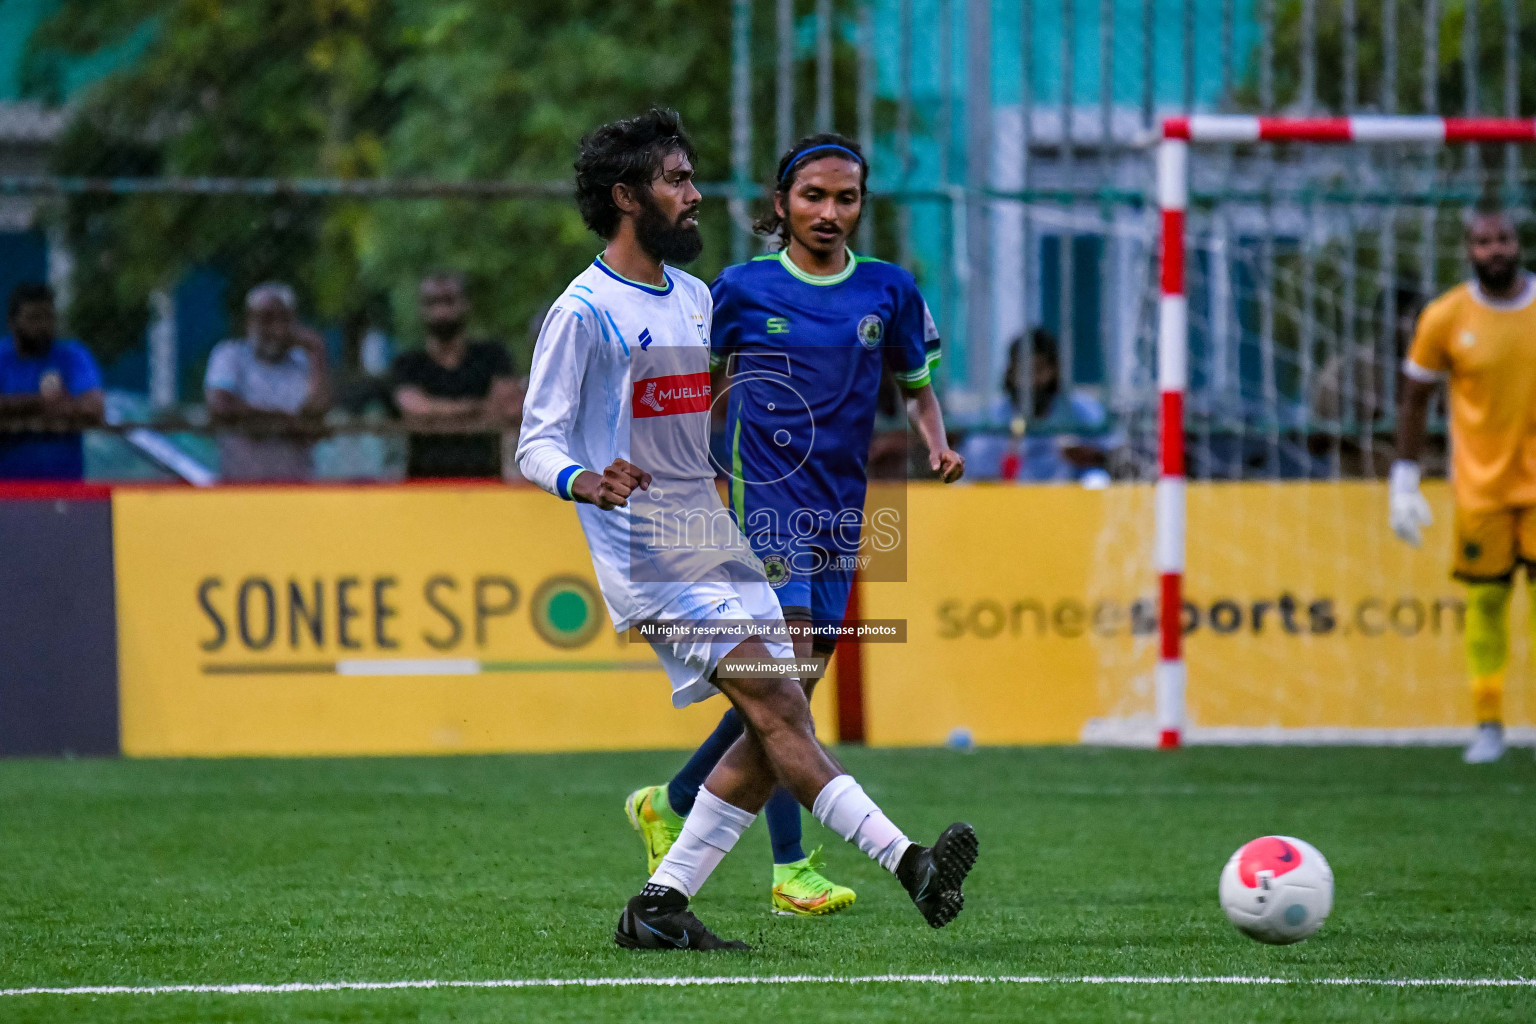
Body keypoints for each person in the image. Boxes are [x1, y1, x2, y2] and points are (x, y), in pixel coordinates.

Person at [516, 108, 977, 951]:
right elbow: (535, 443)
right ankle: (908, 862)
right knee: (776, 704)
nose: (694, 196)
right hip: (650, 553)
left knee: (780, 716)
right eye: (677, 181)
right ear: (627, 197)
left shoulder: (695, 298)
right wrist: (586, 479)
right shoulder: (583, 311)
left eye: (690, 178)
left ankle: (660, 905)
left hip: (717, 536)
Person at [623, 132, 965, 919]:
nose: (830, 212)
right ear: (781, 205)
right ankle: (791, 867)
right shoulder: (739, 290)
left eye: (846, 198)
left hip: (844, 516)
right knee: (789, 690)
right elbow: (683, 384)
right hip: (762, 511)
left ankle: (671, 805)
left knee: (787, 693)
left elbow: (915, 386)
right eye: (813, 196)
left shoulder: (889, 290)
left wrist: (936, 444)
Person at [1392, 208, 1536, 764]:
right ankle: (1489, 723)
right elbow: (1414, 398)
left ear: (1518, 244)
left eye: (1503, 239)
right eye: (1484, 242)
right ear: (1469, 251)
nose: (1495, 249)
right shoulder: (1447, 317)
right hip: (1482, 489)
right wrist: (1404, 481)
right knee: (1486, 602)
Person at [391, 273, 522, 479]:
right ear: (421, 309)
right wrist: (476, 409)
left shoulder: (493, 356)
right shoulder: (408, 363)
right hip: (422, 485)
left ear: (465, 304)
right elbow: (414, 409)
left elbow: (506, 408)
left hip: (486, 482)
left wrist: (435, 415)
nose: (441, 310)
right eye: (432, 302)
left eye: (449, 300)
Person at [204, 282, 332, 482]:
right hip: (241, 485)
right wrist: (291, 424)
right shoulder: (230, 355)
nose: (276, 329)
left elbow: (317, 415)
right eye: (266, 319)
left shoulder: (301, 362)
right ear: (250, 321)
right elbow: (221, 406)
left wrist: (317, 352)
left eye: (283, 319)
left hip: (296, 485)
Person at [959, 328, 1111, 483]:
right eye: (1023, 371)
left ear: (1054, 371)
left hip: (1073, 501)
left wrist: (1095, 457)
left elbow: (1121, 457)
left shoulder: (1081, 411)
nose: (1030, 380)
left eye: (1038, 370)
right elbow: (978, 476)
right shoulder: (993, 419)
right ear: (1010, 373)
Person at [0, 282, 105, 480]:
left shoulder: (72, 356)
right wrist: (41, 403)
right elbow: (60, 405)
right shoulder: (2, 359)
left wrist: (14, 412)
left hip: (64, 489)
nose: (42, 326)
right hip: (7, 491)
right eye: (33, 318)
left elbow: (94, 409)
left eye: (48, 317)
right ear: (12, 323)